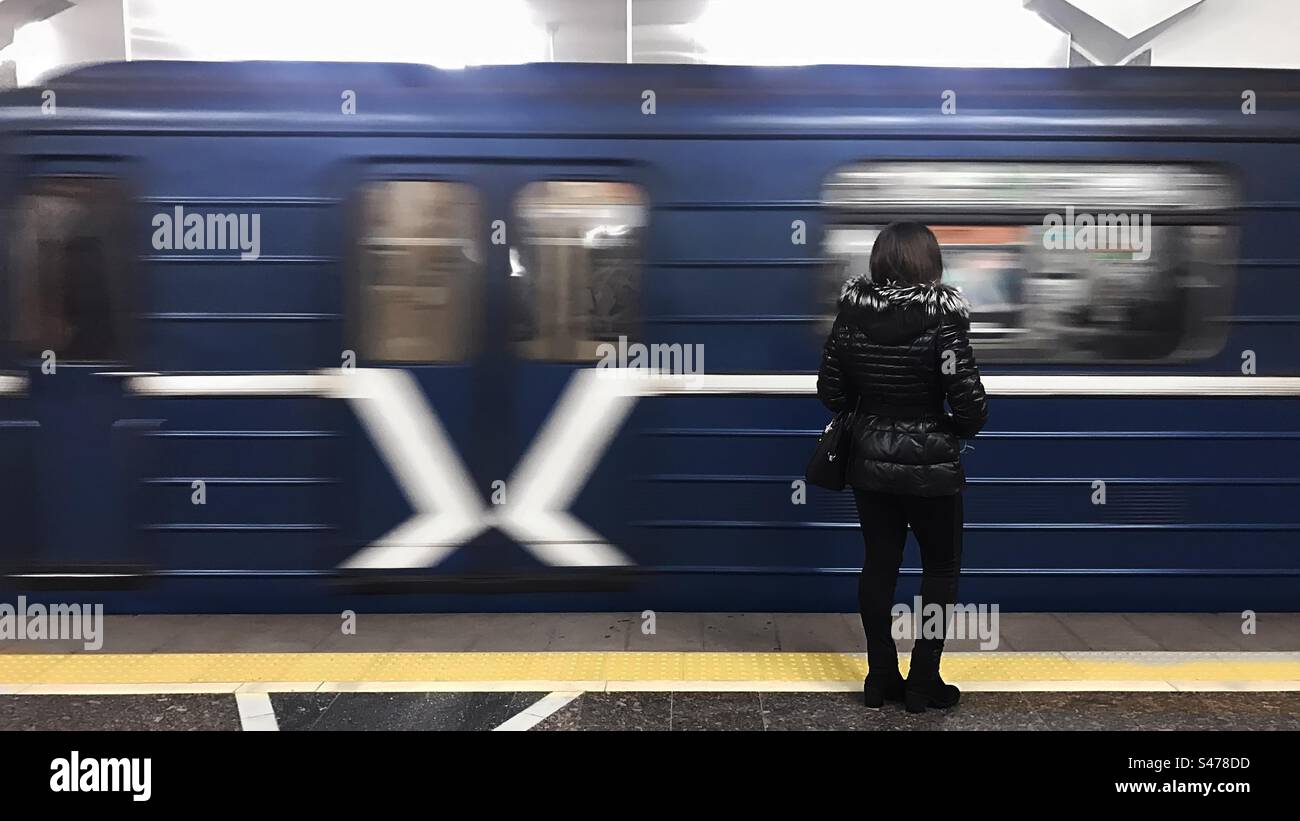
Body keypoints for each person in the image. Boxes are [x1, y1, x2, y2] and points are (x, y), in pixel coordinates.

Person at [816, 222, 989, 713]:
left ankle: (880, 677)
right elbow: (971, 406)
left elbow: (832, 392)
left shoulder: (850, 315)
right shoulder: (946, 319)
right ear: (929, 262)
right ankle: (923, 682)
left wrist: (870, 411)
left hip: (870, 465)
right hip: (931, 466)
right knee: (940, 568)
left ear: (878, 260)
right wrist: (950, 430)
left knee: (879, 565)